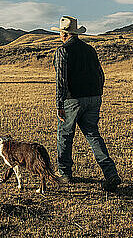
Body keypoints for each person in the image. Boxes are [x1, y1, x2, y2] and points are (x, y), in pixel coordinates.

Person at [51, 16, 121, 192]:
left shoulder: (62, 51)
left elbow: (61, 80)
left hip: (73, 100)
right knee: (93, 135)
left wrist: (59, 104)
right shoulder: (90, 50)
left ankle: (64, 173)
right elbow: (101, 75)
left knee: (65, 136)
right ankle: (110, 173)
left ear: (64, 33)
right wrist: (97, 94)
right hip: (94, 97)